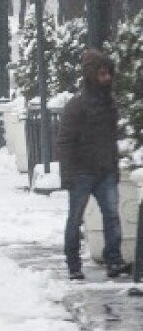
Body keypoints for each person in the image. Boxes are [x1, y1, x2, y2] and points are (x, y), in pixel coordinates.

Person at [57, 49, 130, 281]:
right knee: (76, 218)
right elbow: (65, 142)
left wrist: (114, 166)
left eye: (108, 73)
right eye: (101, 74)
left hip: (104, 169)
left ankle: (114, 259)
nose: (106, 78)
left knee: (111, 216)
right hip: (82, 171)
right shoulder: (77, 106)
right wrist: (68, 174)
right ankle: (74, 263)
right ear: (92, 75)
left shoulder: (109, 104)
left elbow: (111, 139)